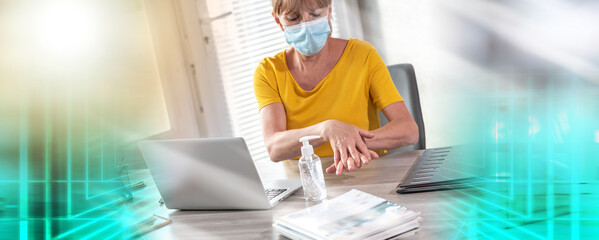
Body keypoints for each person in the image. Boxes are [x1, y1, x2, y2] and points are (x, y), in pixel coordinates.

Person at [254, 0, 419, 175]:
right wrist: (324, 130)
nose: (306, 25)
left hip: (367, 177)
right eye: (294, 18)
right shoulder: (268, 72)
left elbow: (408, 131)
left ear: (329, 10)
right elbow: (274, 148)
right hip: (306, 185)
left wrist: (348, 140)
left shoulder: (363, 55)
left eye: (316, 15)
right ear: (279, 21)